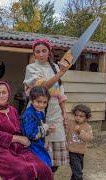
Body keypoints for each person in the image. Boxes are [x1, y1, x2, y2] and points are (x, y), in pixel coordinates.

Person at [0, 81, 53, 180]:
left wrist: (44, 132)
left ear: (8, 94)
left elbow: (22, 129)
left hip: (17, 149)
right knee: (23, 170)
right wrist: (17, 138)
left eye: (4, 92)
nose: (1, 95)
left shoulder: (12, 110)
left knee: (44, 168)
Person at [23, 39, 70, 172]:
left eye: (44, 51)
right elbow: (43, 87)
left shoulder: (55, 67)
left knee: (54, 161)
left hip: (55, 113)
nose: (41, 54)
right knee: (38, 153)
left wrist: (64, 113)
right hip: (37, 112)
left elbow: (60, 92)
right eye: (37, 52)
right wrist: (61, 73)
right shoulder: (31, 68)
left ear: (49, 52)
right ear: (34, 54)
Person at [21, 86, 55, 167]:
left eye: (45, 102)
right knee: (42, 166)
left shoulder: (40, 113)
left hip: (39, 145)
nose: (41, 105)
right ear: (32, 100)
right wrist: (45, 127)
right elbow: (32, 135)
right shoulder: (29, 114)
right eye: (38, 101)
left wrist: (48, 131)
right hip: (31, 147)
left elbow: (41, 131)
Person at [67, 104, 93, 180]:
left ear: (86, 118)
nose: (78, 118)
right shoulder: (70, 123)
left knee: (78, 170)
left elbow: (89, 138)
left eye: (81, 116)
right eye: (76, 115)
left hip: (81, 153)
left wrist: (80, 132)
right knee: (78, 173)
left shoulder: (88, 127)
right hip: (72, 152)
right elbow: (64, 128)